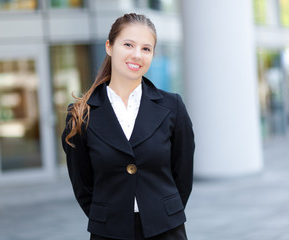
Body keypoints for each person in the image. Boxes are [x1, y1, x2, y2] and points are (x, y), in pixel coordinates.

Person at [62, 13, 195, 240]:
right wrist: (109, 217)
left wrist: (162, 213)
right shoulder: (80, 114)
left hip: (166, 230)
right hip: (109, 232)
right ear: (109, 47)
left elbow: (182, 176)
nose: (137, 55)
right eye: (128, 44)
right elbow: (83, 185)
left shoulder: (172, 106)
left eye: (146, 49)